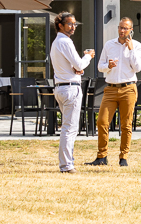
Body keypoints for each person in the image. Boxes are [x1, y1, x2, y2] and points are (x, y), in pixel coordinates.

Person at [87, 17, 141, 167]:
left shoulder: (136, 46)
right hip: (110, 89)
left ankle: (123, 157)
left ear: (131, 30)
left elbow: (137, 68)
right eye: (120, 27)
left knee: (126, 125)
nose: (122, 31)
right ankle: (101, 156)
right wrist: (109, 66)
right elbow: (100, 66)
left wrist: (130, 49)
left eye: (125, 28)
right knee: (102, 122)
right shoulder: (109, 44)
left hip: (128, 89)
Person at [50, 11, 94, 174]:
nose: (73, 26)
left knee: (67, 128)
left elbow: (74, 67)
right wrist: (88, 56)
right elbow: (80, 64)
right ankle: (67, 165)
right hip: (70, 88)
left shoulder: (56, 43)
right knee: (69, 128)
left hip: (61, 86)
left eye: (75, 24)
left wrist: (77, 69)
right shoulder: (65, 42)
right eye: (70, 24)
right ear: (60, 25)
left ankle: (67, 163)